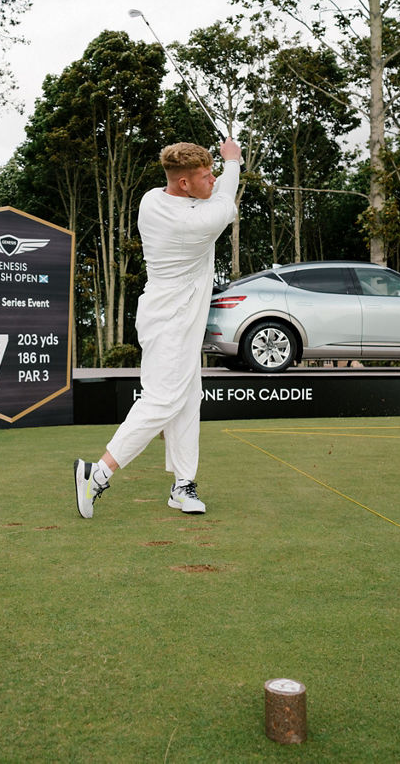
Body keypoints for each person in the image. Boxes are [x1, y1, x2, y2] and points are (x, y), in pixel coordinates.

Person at [74, 138, 242, 518]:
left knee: (187, 399)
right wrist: (233, 160)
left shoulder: (153, 198)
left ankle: (182, 486)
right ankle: (97, 473)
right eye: (204, 175)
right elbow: (226, 203)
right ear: (184, 184)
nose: (212, 179)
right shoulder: (195, 221)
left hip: (168, 315)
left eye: (213, 171)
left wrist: (219, 164)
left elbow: (214, 195)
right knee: (163, 399)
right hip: (169, 320)